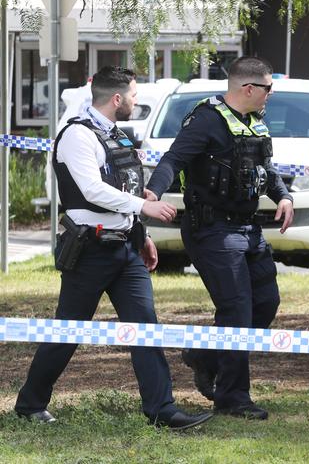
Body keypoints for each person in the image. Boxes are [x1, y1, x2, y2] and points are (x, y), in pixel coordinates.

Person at [14, 66, 213, 430]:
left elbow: (125, 188)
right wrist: (144, 207)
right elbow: (92, 190)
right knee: (68, 332)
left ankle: (162, 410)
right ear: (117, 98)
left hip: (126, 250)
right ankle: (30, 403)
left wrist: (142, 233)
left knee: (145, 328)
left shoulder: (115, 135)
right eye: (134, 96)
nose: (137, 102)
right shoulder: (76, 135)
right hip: (89, 250)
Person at [146, 56, 294, 420]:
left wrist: (284, 197)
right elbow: (173, 159)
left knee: (266, 303)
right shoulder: (206, 120)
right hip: (212, 230)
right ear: (249, 88)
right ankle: (232, 398)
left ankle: (205, 356)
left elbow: (267, 169)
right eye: (268, 88)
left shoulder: (254, 121)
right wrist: (154, 192)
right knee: (237, 310)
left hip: (248, 228)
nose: (270, 95)